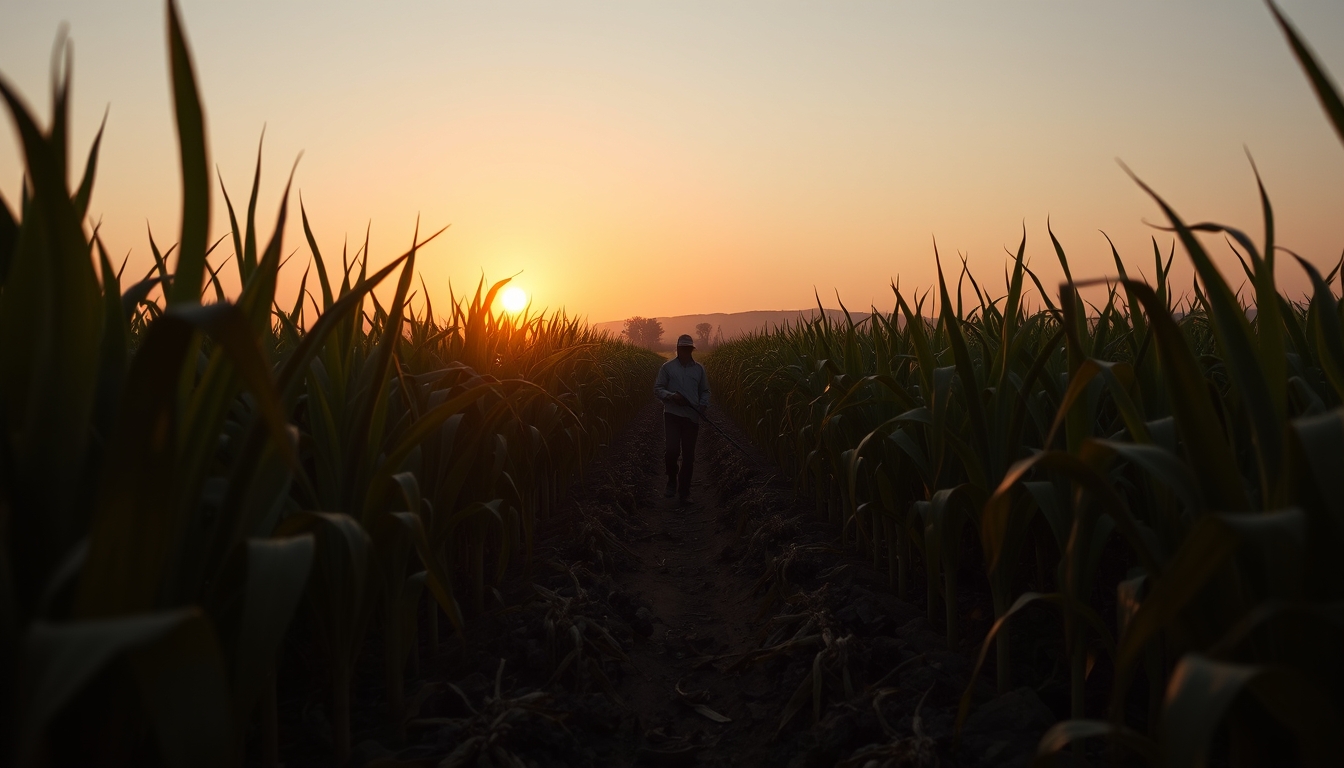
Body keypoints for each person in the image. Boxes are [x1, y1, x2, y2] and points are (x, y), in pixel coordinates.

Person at [654, 334, 711, 504]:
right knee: (671, 451)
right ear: (678, 349)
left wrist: (702, 406)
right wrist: (672, 396)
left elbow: (705, 391)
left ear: (692, 350)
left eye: (689, 349)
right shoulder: (667, 368)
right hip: (672, 415)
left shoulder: (699, 369)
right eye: (683, 349)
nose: (686, 352)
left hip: (692, 418)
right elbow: (658, 388)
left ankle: (684, 492)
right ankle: (672, 480)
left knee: (688, 456)